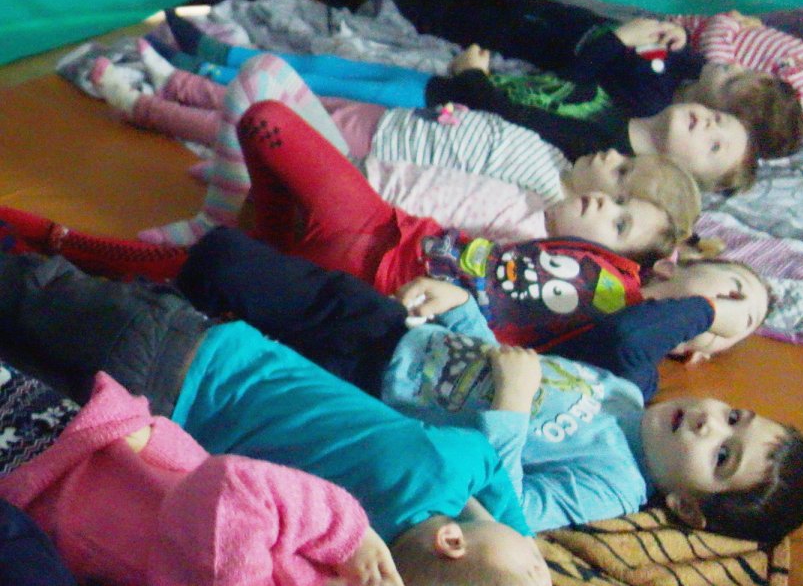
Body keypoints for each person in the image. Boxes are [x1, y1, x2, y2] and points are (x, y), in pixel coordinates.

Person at [0, 237, 803, 545]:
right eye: (733, 416)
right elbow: (513, 354)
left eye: (722, 453)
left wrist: (509, 406)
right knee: (209, 268)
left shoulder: (613, 482)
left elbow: (510, 507)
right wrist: (460, 309)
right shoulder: (627, 396)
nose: (710, 421)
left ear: (687, 507)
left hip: (362, 394)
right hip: (404, 339)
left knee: (70, 335)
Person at [0, 251, 550, 586]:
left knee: (28, 292)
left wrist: (519, 531)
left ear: (451, 541)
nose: (540, 561)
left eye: (532, 568)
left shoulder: (438, 467)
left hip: (192, 355)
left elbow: (488, 459)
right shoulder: (341, 558)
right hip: (133, 442)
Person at [93, 49, 701, 246]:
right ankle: (176, 82)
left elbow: (436, 197)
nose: (610, 162)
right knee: (264, 90)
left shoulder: (539, 208)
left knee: (251, 116)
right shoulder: (557, 166)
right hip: (386, 133)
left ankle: (146, 109)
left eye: (621, 179)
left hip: (363, 165)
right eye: (624, 164)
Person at [323, 0, 803, 153]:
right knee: (528, 8)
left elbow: (718, 64)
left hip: (634, 45)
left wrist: (720, 35)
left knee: (506, 27)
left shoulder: (796, 104)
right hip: (644, 35)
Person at [163, 11, 771, 194]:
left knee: (316, 96)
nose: (708, 120)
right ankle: (214, 55)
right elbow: (564, 80)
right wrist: (621, 40)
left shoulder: (602, 150)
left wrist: (476, 77)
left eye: (714, 143)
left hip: (435, 108)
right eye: (719, 118)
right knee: (330, 70)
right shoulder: (620, 112)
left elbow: (515, 119)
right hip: (445, 87)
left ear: (686, 174)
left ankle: (197, 78)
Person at [0, 360, 403, 586]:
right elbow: (229, 486)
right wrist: (348, 537)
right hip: (68, 449)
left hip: (38, 507)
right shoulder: (320, 569)